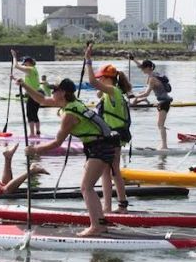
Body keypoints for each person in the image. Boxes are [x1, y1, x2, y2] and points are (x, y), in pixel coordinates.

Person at [17, 76, 122, 237]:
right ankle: (100, 223)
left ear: (63, 93)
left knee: (86, 187)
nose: (51, 92)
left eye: (55, 90)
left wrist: (35, 150)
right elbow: (41, 100)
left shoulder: (69, 114)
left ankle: (96, 226)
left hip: (100, 147)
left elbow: (57, 143)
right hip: (100, 146)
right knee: (87, 187)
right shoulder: (71, 103)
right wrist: (24, 85)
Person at [85, 54, 132, 212]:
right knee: (110, 172)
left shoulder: (113, 91)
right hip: (111, 137)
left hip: (112, 138)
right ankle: (115, 205)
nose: (99, 81)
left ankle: (114, 206)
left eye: (101, 78)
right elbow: (99, 93)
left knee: (110, 172)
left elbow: (92, 82)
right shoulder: (112, 91)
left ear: (107, 79)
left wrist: (88, 61)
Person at [129, 57, 173, 150]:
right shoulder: (155, 74)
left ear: (148, 68)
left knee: (160, 125)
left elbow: (147, 94)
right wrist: (133, 59)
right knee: (160, 124)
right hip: (164, 101)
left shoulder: (152, 79)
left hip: (164, 102)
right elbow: (140, 65)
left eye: (143, 68)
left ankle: (164, 146)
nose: (141, 70)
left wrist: (134, 97)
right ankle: (164, 145)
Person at [12, 50, 42, 136]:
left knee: (29, 114)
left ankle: (32, 134)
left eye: (24, 63)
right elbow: (25, 83)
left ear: (28, 62)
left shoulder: (30, 69)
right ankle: (38, 132)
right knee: (34, 113)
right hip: (38, 93)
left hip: (33, 94)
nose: (24, 65)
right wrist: (14, 79)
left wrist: (14, 56)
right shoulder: (34, 70)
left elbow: (15, 66)